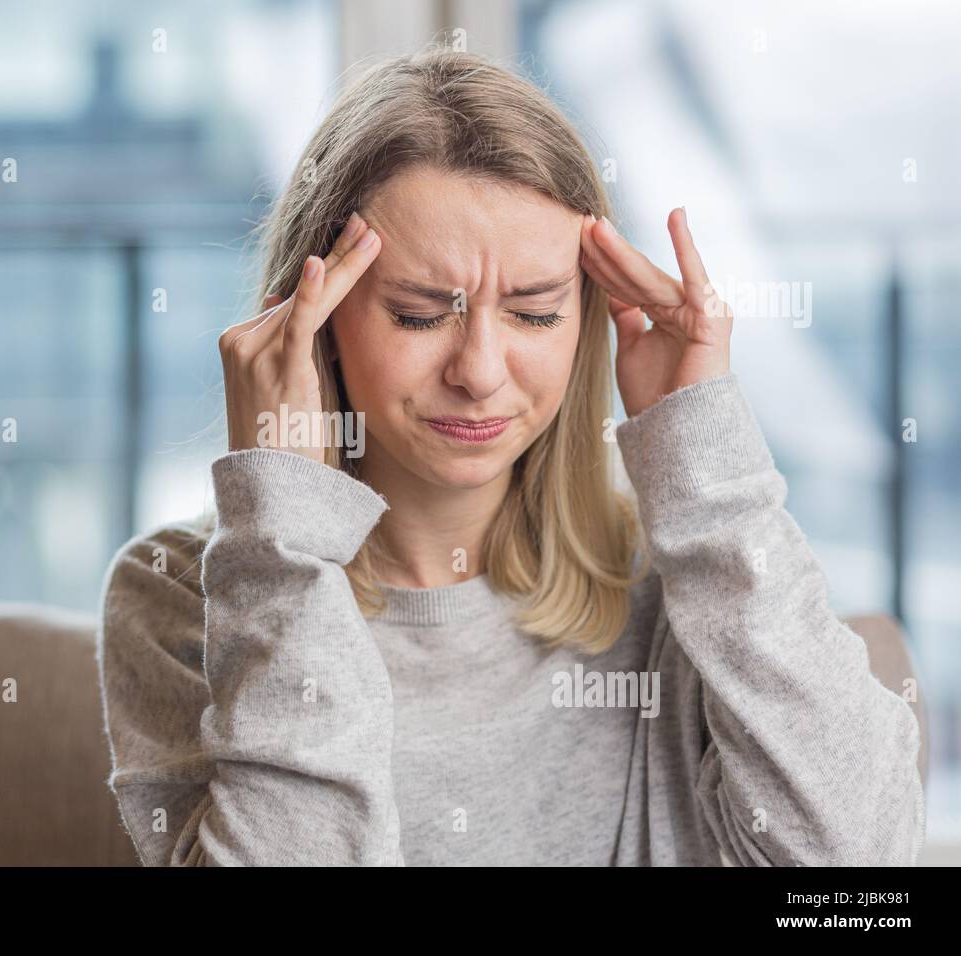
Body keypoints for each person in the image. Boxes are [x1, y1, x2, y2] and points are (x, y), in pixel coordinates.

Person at [94, 46, 924, 866]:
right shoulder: (180, 597)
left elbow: (858, 874)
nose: (480, 372)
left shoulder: (689, 574)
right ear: (314, 324)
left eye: (534, 313)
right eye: (421, 314)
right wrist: (280, 536)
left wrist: (704, 458)